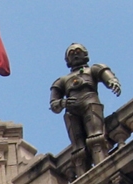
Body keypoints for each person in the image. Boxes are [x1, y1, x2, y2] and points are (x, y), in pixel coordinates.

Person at [49, 43, 121, 175]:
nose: (75, 55)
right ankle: (83, 174)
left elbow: (107, 76)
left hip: (90, 103)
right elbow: (54, 104)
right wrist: (63, 102)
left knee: (96, 138)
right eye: (71, 53)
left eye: (78, 51)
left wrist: (112, 81)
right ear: (67, 59)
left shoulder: (93, 69)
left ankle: (101, 166)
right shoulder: (62, 80)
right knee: (78, 149)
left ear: (85, 54)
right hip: (71, 111)